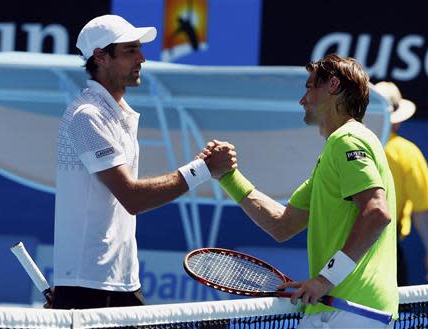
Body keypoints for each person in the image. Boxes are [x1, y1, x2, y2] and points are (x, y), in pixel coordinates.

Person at [52, 14, 237, 309]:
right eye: (130, 51)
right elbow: (132, 197)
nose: (142, 58)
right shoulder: (87, 115)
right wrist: (203, 169)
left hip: (123, 281)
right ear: (100, 57)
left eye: (139, 49)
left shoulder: (115, 112)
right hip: (87, 284)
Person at [201, 54, 398, 328]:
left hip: (349, 312)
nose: (302, 99)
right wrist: (228, 177)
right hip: (348, 312)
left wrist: (324, 280)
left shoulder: (347, 139)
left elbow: (377, 213)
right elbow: (282, 224)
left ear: (332, 85)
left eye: (309, 87)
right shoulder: (337, 151)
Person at [375, 81, 428, 286]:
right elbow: (422, 212)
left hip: (342, 247)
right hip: (386, 247)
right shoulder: (406, 152)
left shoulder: (344, 145)